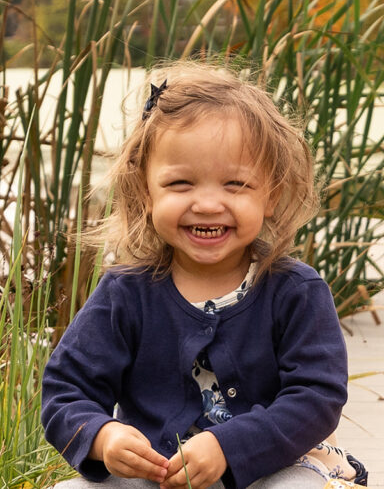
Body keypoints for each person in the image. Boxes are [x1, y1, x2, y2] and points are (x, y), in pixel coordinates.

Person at [42, 62, 366, 489]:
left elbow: (316, 398)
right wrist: (104, 436)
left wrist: (227, 446)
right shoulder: (125, 293)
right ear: (145, 191)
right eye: (180, 184)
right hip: (158, 473)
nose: (209, 204)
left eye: (235, 183)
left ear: (272, 192)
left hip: (272, 467)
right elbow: (66, 390)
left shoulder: (296, 290)